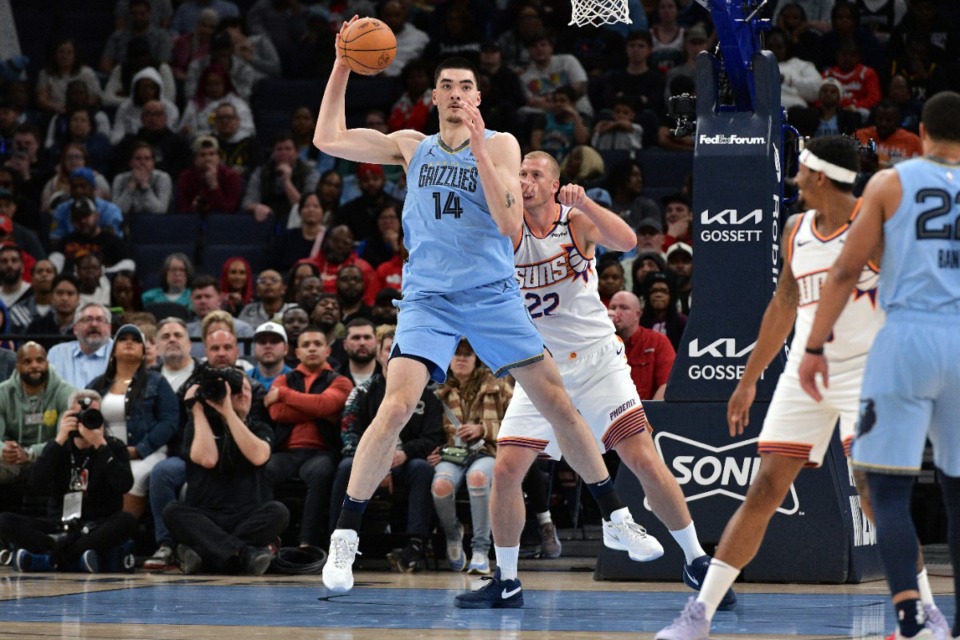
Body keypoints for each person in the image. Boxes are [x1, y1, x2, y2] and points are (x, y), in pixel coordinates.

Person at [314, 43, 655, 595]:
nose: (455, 94)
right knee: (397, 403)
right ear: (433, 97)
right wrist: (342, 65)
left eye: (465, 87)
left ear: (478, 96)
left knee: (558, 403)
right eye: (446, 86)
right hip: (429, 297)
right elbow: (327, 138)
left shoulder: (501, 145)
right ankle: (345, 538)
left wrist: (475, 142)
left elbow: (505, 222)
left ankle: (615, 519)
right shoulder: (411, 147)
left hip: (492, 294)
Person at [656, 135, 921, 639]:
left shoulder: (879, 226)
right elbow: (783, 304)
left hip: (867, 371)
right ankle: (700, 615)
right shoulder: (796, 227)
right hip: (805, 371)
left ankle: (921, 614)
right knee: (764, 489)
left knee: (875, 495)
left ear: (820, 176)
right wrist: (748, 378)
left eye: (800, 171)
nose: (794, 179)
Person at [462, 152, 728, 609]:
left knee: (642, 456)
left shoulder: (575, 222)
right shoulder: (508, 232)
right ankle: (506, 580)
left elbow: (626, 241)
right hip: (541, 368)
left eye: (534, 175)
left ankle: (696, 559)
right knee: (506, 469)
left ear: (554, 183)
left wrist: (585, 203)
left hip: (597, 360)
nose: (525, 181)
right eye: (520, 174)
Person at [797, 94, 960, 640]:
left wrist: (815, 346)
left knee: (886, 490)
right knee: (957, 489)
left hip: (908, 336)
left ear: (921, 131)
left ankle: (912, 614)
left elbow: (845, 271)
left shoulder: (891, 182)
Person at [331, 325, 443, 573]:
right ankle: (338, 539)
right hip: (368, 462)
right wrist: (379, 465)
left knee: (422, 469)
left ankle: (415, 545)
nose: (395, 354)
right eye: (389, 349)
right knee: (346, 467)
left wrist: (406, 453)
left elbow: (433, 436)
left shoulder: (429, 395)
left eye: (400, 349)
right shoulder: (362, 391)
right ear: (380, 354)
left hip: (407, 461)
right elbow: (349, 434)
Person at [164, 372, 288, 575]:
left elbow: (258, 456)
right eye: (235, 390)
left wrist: (229, 412)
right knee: (173, 511)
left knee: (278, 512)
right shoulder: (198, 425)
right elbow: (208, 459)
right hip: (206, 515)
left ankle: (206, 554)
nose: (243, 394)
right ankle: (243, 554)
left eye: (247, 389)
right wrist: (196, 409)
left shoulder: (260, 427)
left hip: (246, 515)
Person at [0, 390, 136, 573]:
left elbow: (124, 484)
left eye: (92, 415)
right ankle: (73, 558)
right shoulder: (58, 447)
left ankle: (50, 558)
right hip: (59, 524)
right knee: (5, 520)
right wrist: (59, 438)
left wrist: (100, 445)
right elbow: (34, 484)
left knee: (126, 520)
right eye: (79, 415)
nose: (84, 421)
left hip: (97, 524)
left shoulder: (113, 447)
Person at [264, 326, 353, 548]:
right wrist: (318, 409)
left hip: (322, 452)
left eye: (317, 344)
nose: (312, 348)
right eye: (306, 345)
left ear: (328, 350)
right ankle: (267, 540)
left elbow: (326, 404)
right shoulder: (284, 378)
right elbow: (277, 413)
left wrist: (285, 396)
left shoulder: (340, 381)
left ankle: (308, 543)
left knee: (321, 473)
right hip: (286, 452)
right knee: (263, 471)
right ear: (297, 353)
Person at [433, 338, 511, 574]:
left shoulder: (499, 386)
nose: (461, 358)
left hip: (487, 451)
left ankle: (480, 549)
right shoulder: (439, 392)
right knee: (441, 485)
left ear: (477, 358)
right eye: (457, 354)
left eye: (468, 354)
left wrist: (483, 429)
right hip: (453, 454)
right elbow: (428, 429)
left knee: (478, 477)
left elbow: (517, 424)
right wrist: (434, 450)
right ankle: (453, 534)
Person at [87, 324, 178, 519]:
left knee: (133, 477)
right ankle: (89, 534)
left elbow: (169, 421)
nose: (129, 342)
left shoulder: (157, 382)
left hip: (147, 453)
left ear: (144, 353)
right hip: (105, 451)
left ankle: (122, 537)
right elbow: (84, 417)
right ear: (113, 351)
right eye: (123, 338)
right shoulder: (97, 384)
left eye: (136, 340)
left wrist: (140, 449)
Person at [0, 342, 75, 486]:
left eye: (39, 360)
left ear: (47, 363)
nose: (34, 365)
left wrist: (31, 453)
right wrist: (3, 451)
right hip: (12, 462)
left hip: (52, 459)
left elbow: (64, 439)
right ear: (17, 367)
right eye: (27, 361)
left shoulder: (66, 393)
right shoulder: (3, 393)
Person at [609, 291, 675, 401]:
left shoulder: (657, 341)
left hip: (644, 412)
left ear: (637, 315)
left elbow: (667, 385)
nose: (616, 312)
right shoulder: (598, 342)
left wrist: (651, 415)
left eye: (624, 308)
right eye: (613, 307)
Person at [46, 302, 114, 389]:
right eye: (87, 319)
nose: (94, 324)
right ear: (75, 328)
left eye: (100, 319)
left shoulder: (119, 353)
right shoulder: (57, 353)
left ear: (109, 328)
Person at [249, 320, 291, 389]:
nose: (268, 346)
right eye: (262, 342)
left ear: (285, 348)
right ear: (255, 348)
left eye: (274, 341)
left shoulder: (296, 380)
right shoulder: (245, 379)